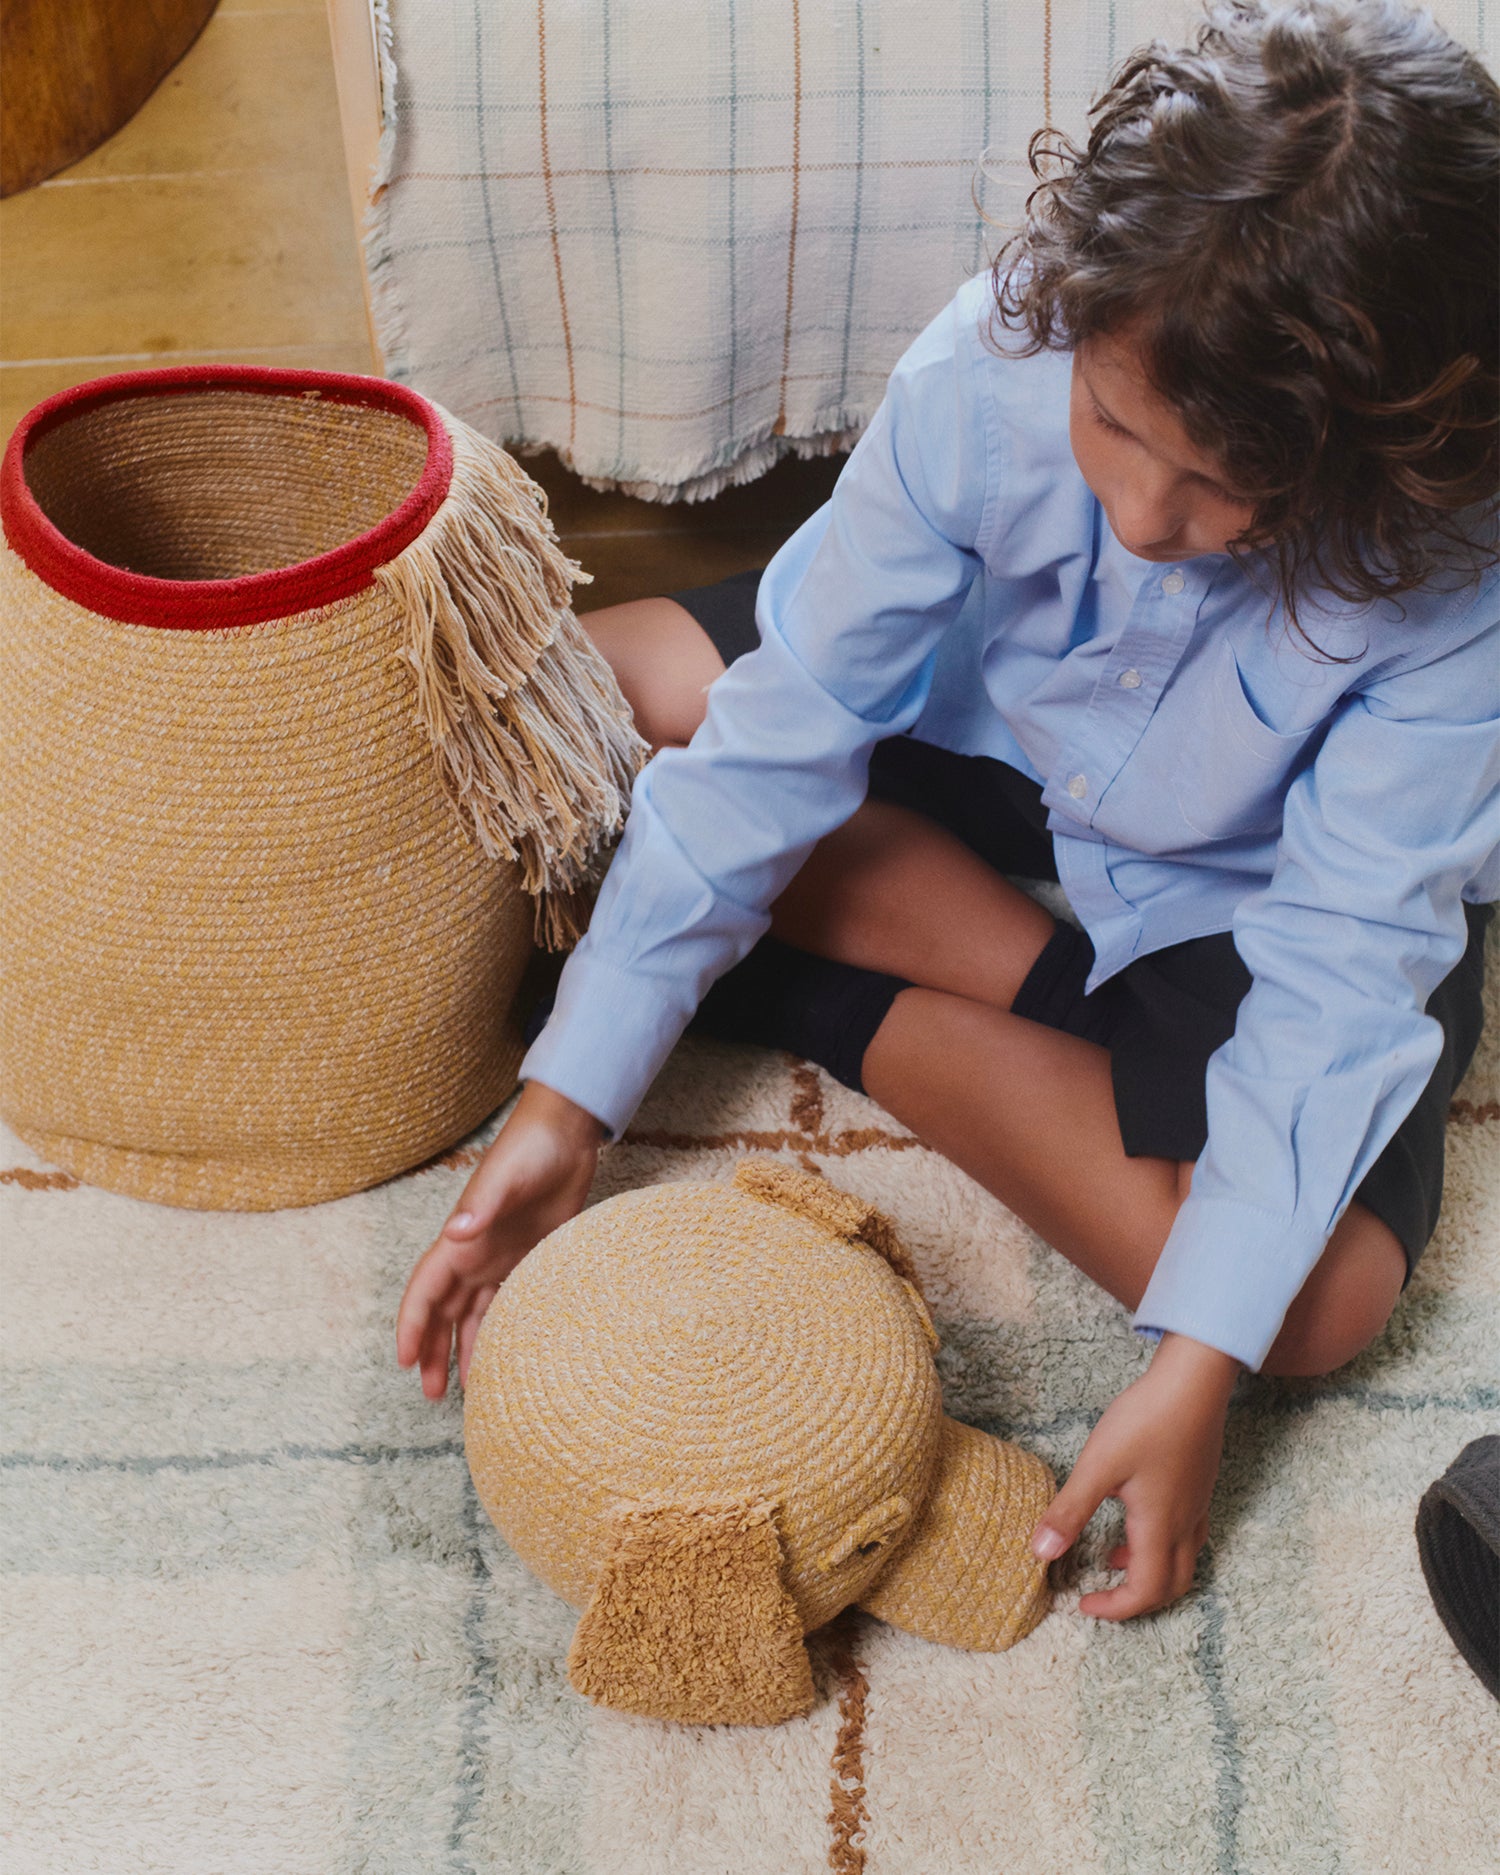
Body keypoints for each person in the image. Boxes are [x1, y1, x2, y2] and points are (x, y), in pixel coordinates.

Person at [398, 0, 1499, 1621]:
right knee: (561, 713)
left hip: (1242, 881)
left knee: (1308, 1300)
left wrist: (1194, 1365)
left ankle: (832, 990)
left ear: (1379, 470)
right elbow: (792, 727)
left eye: (1224, 497)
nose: (1140, 512)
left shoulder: (1456, 575)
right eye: (1116, 427)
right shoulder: (993, 360)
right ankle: (1034, 988)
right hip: (975, 720)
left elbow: (1344, 966)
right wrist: (568, 1104)